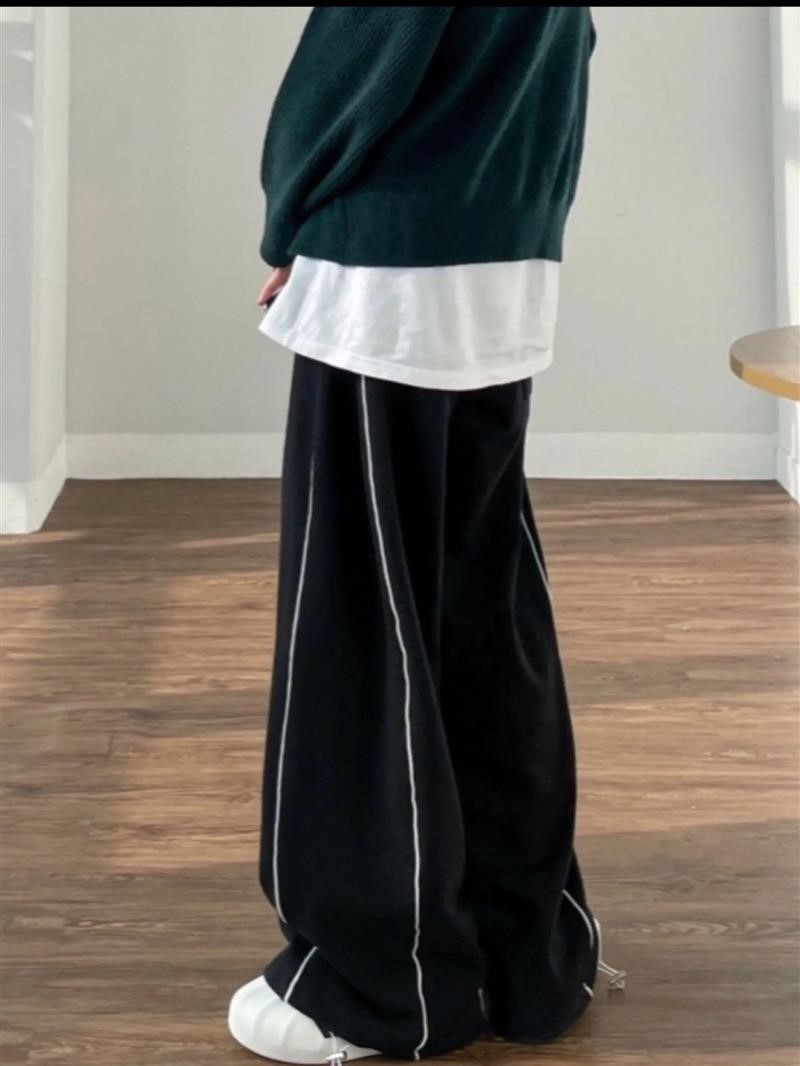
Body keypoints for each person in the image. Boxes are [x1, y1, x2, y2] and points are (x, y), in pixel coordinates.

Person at [228, 7, 624, 1064]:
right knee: (486, 620)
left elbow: (347, 72)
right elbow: (568, 52)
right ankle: (523, 952)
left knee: (357, 637)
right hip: (506, 264)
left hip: (386, 275)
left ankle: (378, 986)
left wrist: (288, 223)